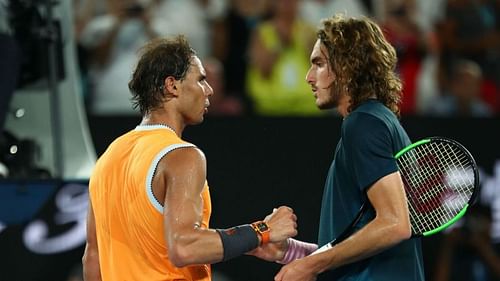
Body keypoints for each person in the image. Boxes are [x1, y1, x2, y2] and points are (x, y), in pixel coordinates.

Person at [82, 35, 298, 281]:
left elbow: (93, 258)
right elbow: (185, 246)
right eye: (201, 80)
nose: (209, 90)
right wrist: (263, 230)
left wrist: (247, 241)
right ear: (172, 85)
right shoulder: (182, 156)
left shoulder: (107, 159)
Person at [271, 15, 425, 281]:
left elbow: (395, 224)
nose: (309, 77)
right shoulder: (378, 120)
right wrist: (291, 253)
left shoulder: (362, 124)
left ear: (347, 66)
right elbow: (359, 240)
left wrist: (311, 266)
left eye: (319, 64)